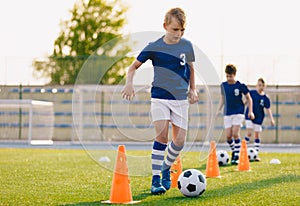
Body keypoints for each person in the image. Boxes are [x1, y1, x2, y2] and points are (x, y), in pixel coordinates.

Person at [121, 7, 198, 195]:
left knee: (179, 141)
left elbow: (191, 69)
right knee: (162, 136)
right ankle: (156, 179)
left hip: (180, 100)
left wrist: (193, 89)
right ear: (165, 26)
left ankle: (165, 167)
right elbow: (132, 67)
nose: (178, 34)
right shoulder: (154, 46)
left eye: (182, 30)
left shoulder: (186, 46)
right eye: (174, 30)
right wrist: (129, 84)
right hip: (160, 98)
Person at [216, 64, 254, 164]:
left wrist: (250, 111)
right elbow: (223, 98)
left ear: (235, 75)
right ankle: (235, 150)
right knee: (228, 136)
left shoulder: (240, 85)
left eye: (231, 76)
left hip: (238, 112)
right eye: (227, 76)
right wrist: (219, 109)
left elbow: (249, 98)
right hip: (227, 113)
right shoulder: (223, 85)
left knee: (235, 133)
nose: (229, 78)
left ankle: (236, 156)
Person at [244, 78, 275, 161]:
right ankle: (243, 152)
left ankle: (256, 154)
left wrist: (271, 119)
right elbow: (245, 101)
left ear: (264, 86)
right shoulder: (252, 93)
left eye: (262, 85)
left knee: (257, 134)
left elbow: (268, 109)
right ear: (256, 85)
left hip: (259, 117)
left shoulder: (265, 98)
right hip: (249, 115)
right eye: (259, 85)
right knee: (249, 132)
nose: (260, 87)